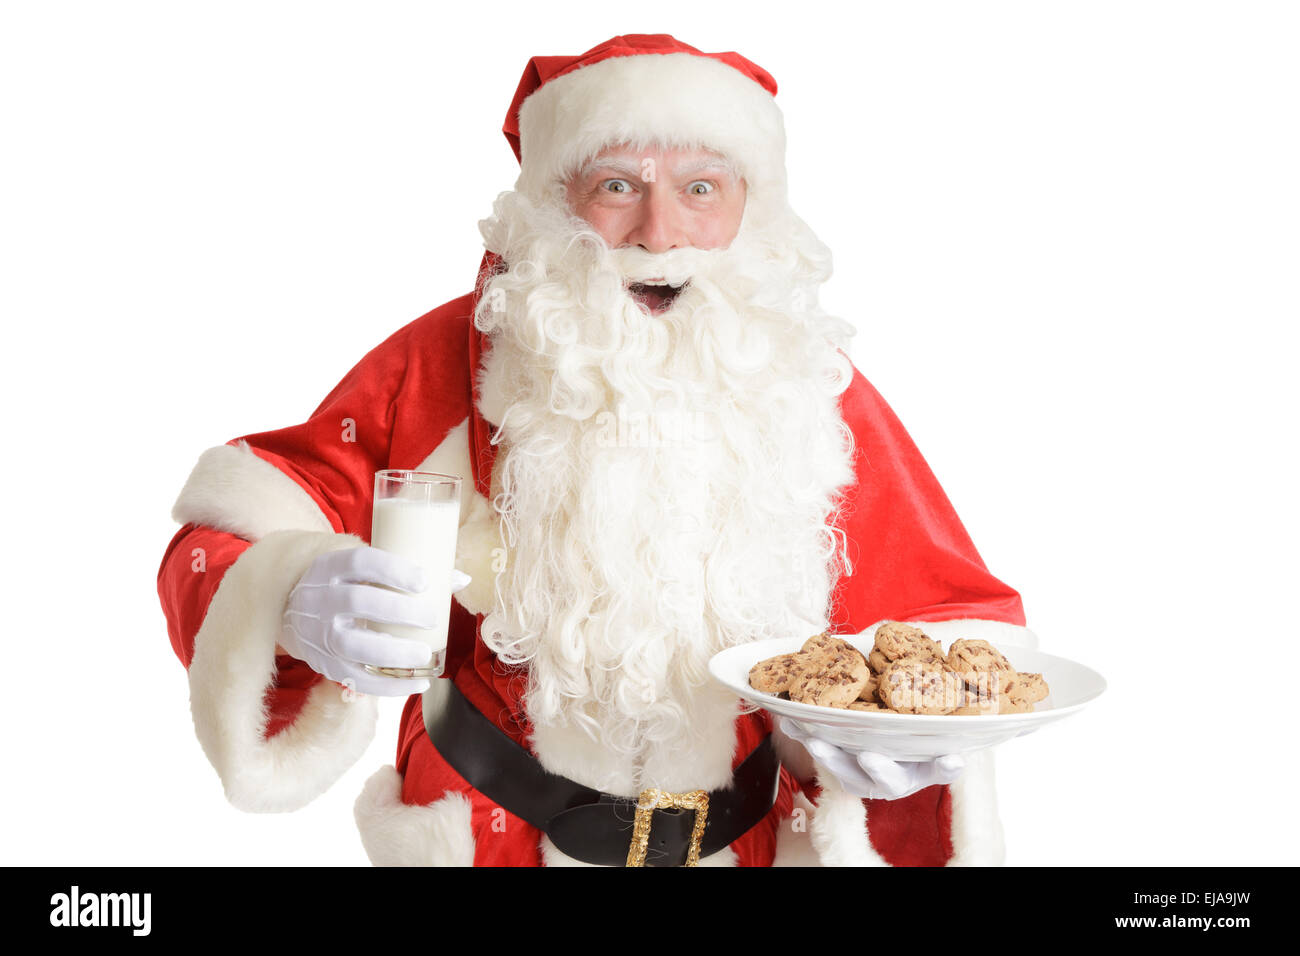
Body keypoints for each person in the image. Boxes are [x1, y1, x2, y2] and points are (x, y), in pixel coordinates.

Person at [157, 34, 1033, 867]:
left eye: (701, 187)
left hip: (743, 846)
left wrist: (914, 745)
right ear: (554, 201)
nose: (659, 232)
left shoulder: (801, 383)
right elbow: (228, 533)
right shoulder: (442, 366)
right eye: (617, 184)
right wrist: (290, 591)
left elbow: (947, 622)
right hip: (487, 838)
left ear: (751, 206)